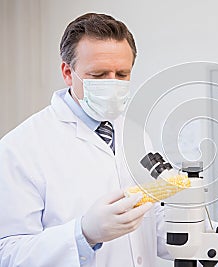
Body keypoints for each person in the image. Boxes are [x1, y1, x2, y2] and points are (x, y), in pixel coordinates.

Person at [0, 13, 171, 267]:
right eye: (99, 75)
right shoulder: (20, 147)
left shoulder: (135, 134)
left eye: (122, 74)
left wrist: (188, 220)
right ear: (68, 72)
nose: (112, 84)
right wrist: (83, 234)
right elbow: (9, 253)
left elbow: (154, 226)